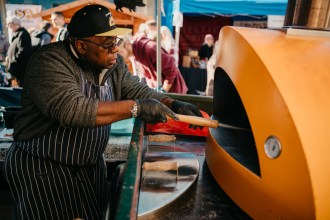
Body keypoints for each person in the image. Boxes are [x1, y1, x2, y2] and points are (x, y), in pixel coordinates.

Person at [4, 4, 202, 219]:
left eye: (116, 41)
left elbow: (135, 89)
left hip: (89, 165)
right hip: (43, 167)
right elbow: (73, 110)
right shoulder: (49, 62)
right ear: (81, 46)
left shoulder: (112, 65)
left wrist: (172, 103)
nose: (115, 49)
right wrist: (137, 108)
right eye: (108, 44)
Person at [6, 15, 32, 87]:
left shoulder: (23, 34)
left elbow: (23, 52)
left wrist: (13, 60)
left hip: (21, 70)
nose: (8, 27)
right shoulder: (18, 34)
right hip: (17, 69)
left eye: (9, 25)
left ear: (14, 24)